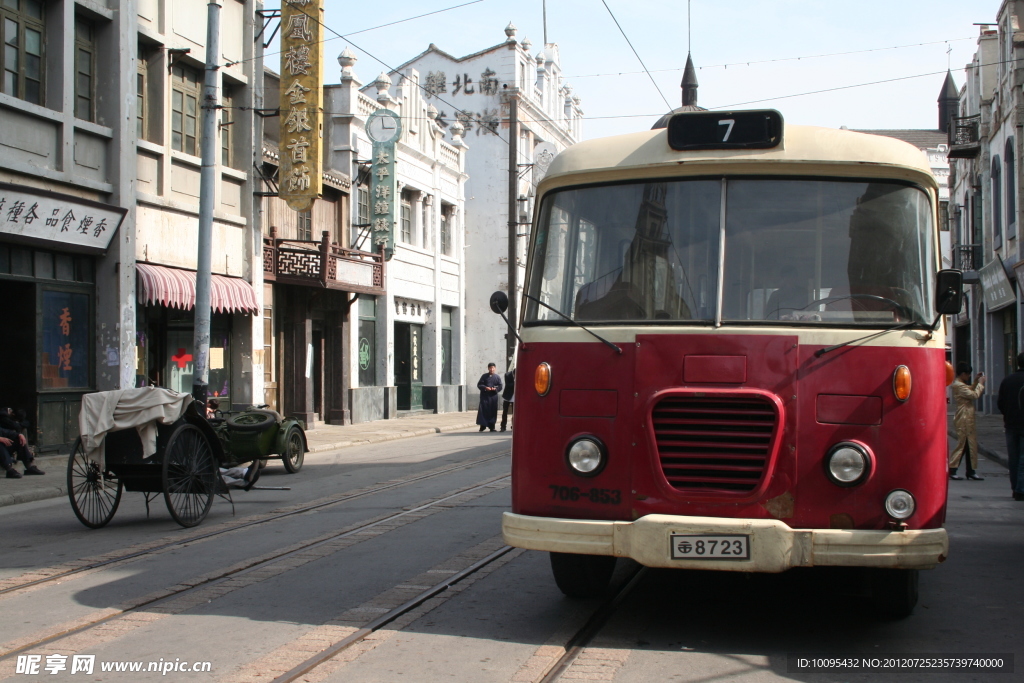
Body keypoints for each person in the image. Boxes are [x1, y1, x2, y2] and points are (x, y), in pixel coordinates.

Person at [949, 362, 985, 481]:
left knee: (970, 444)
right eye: (968, 375)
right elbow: (973, 395)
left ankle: (971, 470)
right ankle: (953, 468)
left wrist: (975, 382)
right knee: (963, 444)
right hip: (963, 416)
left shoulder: (960, 384)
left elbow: (969, 390)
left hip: (967, 416)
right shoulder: (959, 385)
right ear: (963, 374)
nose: (968, 377)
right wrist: (980, 384)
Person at [997, 352, 1024, 500]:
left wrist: (1008, 414)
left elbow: (1000, 403)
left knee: (1013, 459)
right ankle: (1020, 489)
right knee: (1022, 459)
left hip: (1010, 424)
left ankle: (1015, 488)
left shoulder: (1008, 380)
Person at [476, 363, 503, 432]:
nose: (492, 369)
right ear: (488, 368)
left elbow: (500, 386)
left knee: (492, 411)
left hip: (493, 397)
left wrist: (495, 389)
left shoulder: (497, 377)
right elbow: (479, 384)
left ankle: (492, 427)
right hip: (485, 396)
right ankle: (482, 426)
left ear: (495, 368)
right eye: (490, 368)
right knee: (483, 411)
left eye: (493, 368)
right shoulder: (484, 376)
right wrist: (485, 388)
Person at [500, 367, 515, 432]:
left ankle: (514, 425)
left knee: (514, 412)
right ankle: (503, 426)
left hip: (515, 396)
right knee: (505, 411)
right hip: (507, 395)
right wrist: (516, 381)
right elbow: (508, 385)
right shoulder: (507, 375)